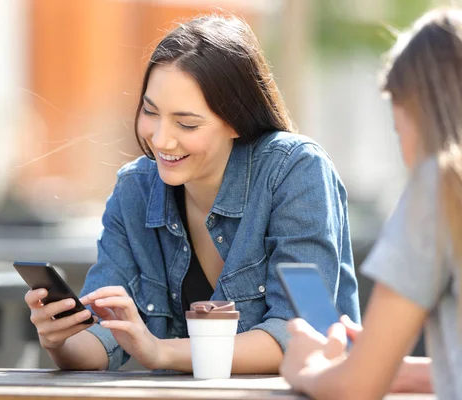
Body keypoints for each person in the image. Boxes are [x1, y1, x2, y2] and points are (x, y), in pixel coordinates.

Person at [24, 13, 360, 373]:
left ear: (236, 119)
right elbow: (105, 336)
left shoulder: (295, 171)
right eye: (151, 112)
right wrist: (61, 340)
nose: (161, 139)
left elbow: (302, 334)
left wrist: (162, 351)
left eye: (186, 123)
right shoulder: (135, 189)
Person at [280, 8, 462, 399]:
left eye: (399, 129)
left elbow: (356, 389)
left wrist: (307, 368)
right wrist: (388, 362)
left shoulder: (442, 186)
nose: (405, 153)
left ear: (419, 112)